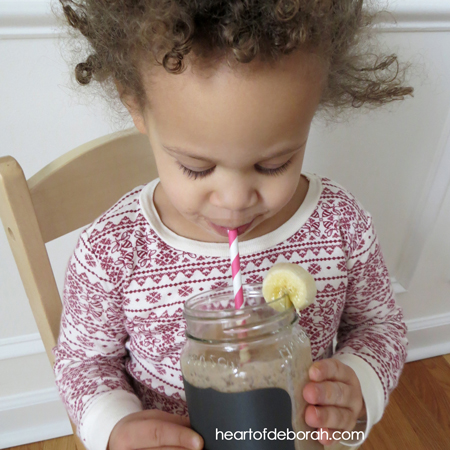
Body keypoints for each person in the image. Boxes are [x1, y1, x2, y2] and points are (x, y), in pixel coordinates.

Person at [53, 1, 412, 449]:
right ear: (136, 107)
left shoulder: (340, 224)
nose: (235, 200)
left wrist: (358, 388)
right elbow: (83, 363)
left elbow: (380, 328)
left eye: (273, 164)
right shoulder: (113, 249)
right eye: (197, 168)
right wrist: (114, 428)